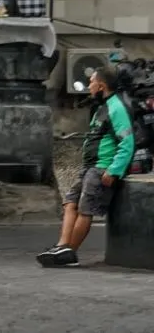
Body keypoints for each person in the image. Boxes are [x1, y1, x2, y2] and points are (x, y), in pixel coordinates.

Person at [37, 66, 134, 267]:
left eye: (91, 82)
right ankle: (62, 247)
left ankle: (69, 252)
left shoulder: (117, 107)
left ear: (102, 85)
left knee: (85, 210)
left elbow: (127, 142)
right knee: (70, 203)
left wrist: (114, 169)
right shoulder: (102, 108)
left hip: (101, 168)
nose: (89, 86)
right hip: (89, 167)